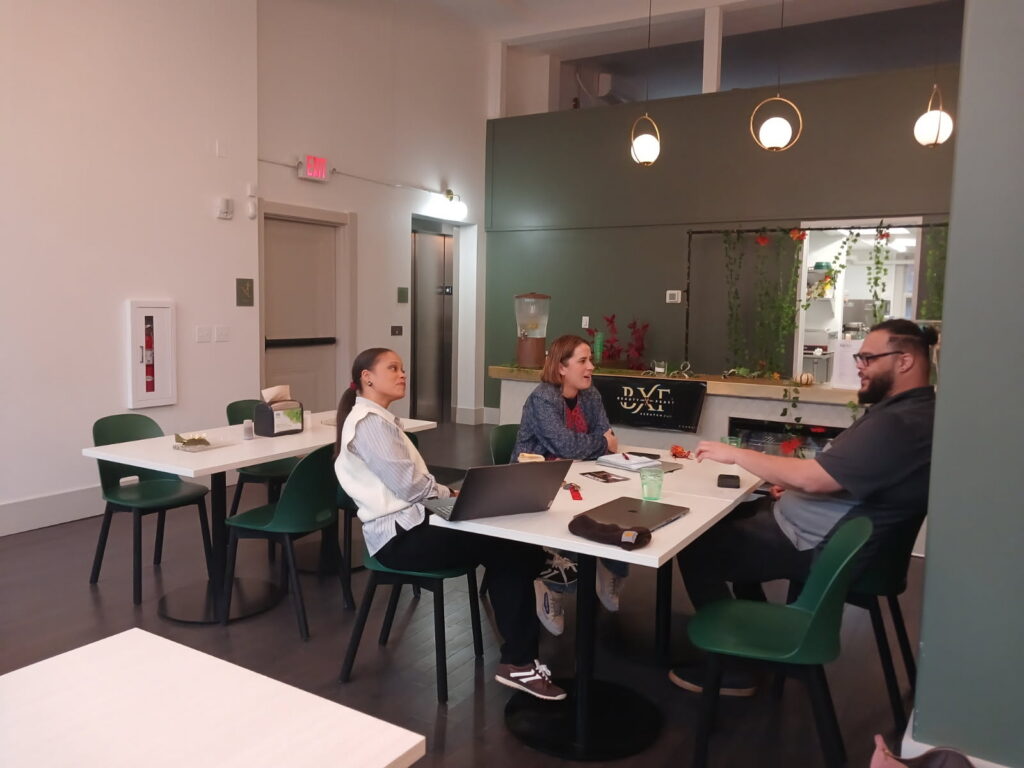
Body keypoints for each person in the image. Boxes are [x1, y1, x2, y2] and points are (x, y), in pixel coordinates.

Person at [670, 319, 937, 695]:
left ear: (905, 361)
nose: (859, 365)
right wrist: (795, 485)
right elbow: (841, 477)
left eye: (868, 358)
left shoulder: (900, 423)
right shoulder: (913, 412)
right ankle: (755, 643)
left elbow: (816, 477)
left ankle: (736, 668)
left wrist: (738, 455)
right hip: (818, 527)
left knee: (695, 546)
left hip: (817, 545)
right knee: (726, 522)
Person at [334, 347, 565, 701]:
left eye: (403, 368)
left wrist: (451, 495)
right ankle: (520, 656)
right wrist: (450, 493)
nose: (402, 375)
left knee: (504, 535)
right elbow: (411, 487)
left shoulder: (378, 420)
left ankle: (539, 575)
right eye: (393, 368)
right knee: (505, 543)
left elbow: (414, 488)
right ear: (367, 378)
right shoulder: (369, 424)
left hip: (414, 523)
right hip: (400, 539)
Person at [511, 334, 629, 635]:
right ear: (562, 368)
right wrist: (599, 444)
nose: (591, 366)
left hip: (581, 475)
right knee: (577, 519)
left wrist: (599, 444)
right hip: (538, 481)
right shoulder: (543, 398)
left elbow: (609, 438)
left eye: (591, 360)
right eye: (583, 360)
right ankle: (551, 586)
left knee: (625, 506)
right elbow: (566, 446)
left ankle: (610, 568)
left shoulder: (591, 395)